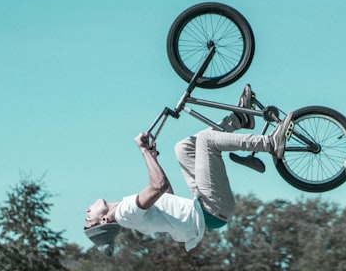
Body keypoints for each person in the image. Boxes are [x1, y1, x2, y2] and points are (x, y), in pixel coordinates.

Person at [84, 108, 294, 255]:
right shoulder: (125, 212)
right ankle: (270, 143)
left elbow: (168, 199)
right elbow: (159, 185)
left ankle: (240, 119)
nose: (87, 210)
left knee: (184, 148)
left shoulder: (128, 212)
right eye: (88, 218)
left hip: (205, 206)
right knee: (207, 141)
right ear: (103, 222)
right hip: (211, 208)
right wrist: (142, 151)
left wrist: (152, 158)